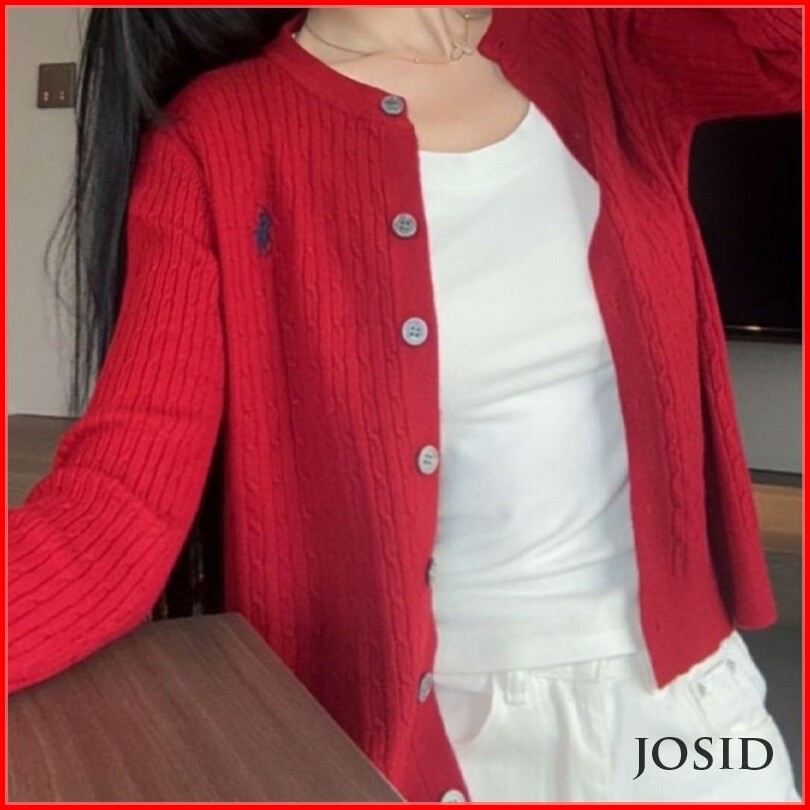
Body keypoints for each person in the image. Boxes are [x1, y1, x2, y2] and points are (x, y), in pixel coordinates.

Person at [8, 7, 802, 802]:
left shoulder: (602, 39)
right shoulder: (219, 139)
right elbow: (117, 507)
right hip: (412, 745)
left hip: (688, 716)